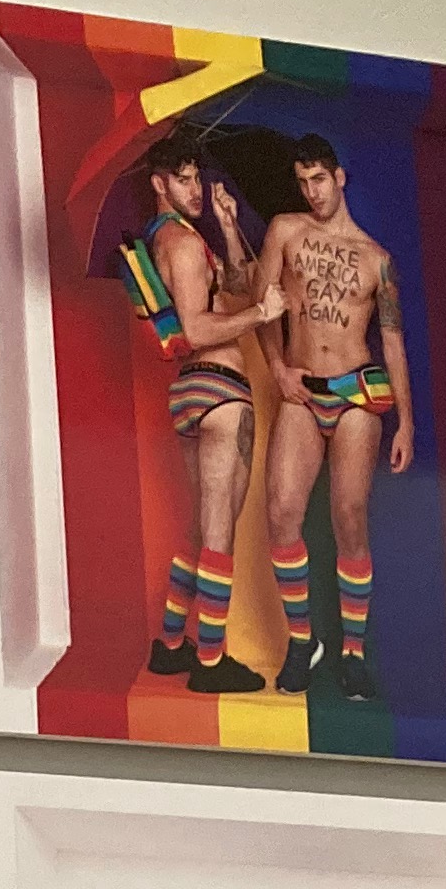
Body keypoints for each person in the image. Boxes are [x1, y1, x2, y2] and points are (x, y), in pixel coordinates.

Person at [121, 130, 289, 693]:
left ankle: (170, 646)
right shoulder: (183, 245)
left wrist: (228, 223)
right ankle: (212, 662)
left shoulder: (175, 239)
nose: (195, 188)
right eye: (183, 179)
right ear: (158, 184)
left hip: (192, 395)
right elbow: (196, 328)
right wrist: (261, 315)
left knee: (199, 529)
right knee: (219, 534)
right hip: (219, 392)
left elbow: (235, 285)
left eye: (198, 177)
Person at [256, 134, 414, 701]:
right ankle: (303, 642)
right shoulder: (284, 230)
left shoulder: (378, 259)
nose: (312, 192)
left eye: (319, 179)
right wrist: (277, 369)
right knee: (281, 511)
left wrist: (407, 423)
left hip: (358, 390)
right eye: (302, 182)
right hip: (301, 388)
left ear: (339, 177)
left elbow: (392, 342)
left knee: (349, 514)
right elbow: (264, 309)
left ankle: (353, 652)